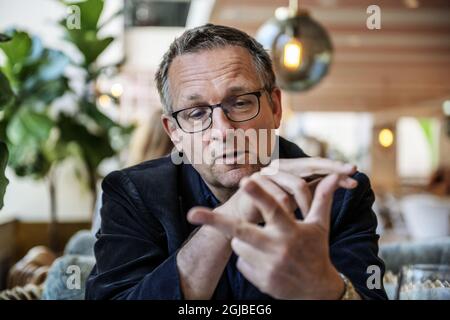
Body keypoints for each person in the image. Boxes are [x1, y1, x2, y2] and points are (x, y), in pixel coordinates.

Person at [85, 24, 387, 300]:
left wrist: (327, 290)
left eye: (240, 103)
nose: (224, 131)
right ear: (174, 133)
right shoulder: (132, 193)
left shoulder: (339, 193)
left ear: (275, 107)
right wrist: (227, 220)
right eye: (196, 113)